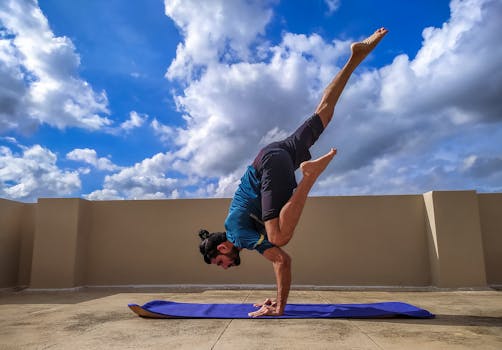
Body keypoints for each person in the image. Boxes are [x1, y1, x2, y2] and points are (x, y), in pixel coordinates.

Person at [198, 28, 388, 317]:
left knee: (280, 238)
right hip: (278, 154)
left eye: (220, 263)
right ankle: (356, 57)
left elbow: (282, 261)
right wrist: (274, 299)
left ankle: (309, 175)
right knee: (324, 111)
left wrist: (280, 308)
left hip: (267, 167)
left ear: (223, 248)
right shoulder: (239, 230)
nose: (226, 267)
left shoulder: (238, 236)